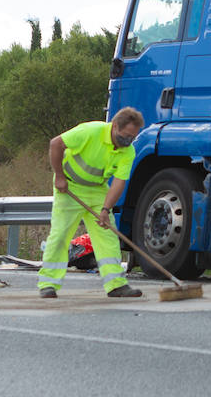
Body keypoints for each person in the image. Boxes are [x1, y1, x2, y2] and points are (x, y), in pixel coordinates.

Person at [38, 107, 144, 299]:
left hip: (98, 190)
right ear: (114, 127)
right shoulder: (90, 131)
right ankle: (48, 284)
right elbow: (56, 144)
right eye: (126, 136)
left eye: (133, 138)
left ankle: (116, 285)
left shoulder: (127, 152)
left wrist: (106, 209)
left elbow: (119, 183)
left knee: (108, 236)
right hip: (69, 188)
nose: (128, 141)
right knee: (60, 234)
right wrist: (59, 177)